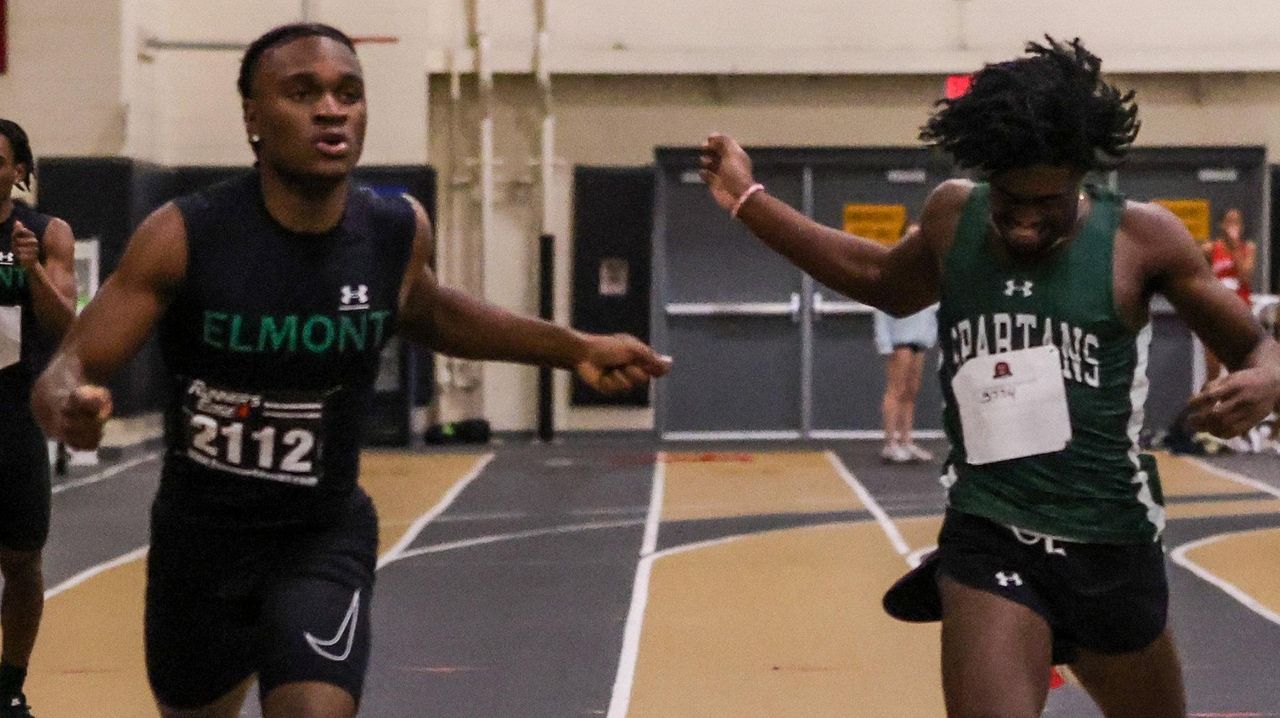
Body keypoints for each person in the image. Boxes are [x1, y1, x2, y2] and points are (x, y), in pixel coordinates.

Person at [31, 23, 669, 718]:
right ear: (252, 116)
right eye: (302, 93)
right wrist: (69, 407)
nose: (331, 109)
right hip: (201, 547)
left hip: (320, 535)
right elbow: (69, 366)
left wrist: (575, 348)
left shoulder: (394, 229)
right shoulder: (185, 234)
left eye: (348, 93)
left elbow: (434, 312)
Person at [700, 37, 1280, 718]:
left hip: (1110, 539)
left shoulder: (1142, 239)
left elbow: (1256, 347)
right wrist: (748, 200)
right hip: (992, 528)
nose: (1027, 224)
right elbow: (881, 280)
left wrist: (1267, 384)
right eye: (1010, 203)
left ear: (1083, 178)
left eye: (1048, 205)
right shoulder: (955, 214)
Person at [0, 119, 77, 718]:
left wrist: (28, 271)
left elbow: (66, 327)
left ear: (19, 170)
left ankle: (10, 686)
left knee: (21, 560)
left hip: (12, 417)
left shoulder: (47, 234)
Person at [873, 224, 938, 464]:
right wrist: (885, 342)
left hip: (919, 339)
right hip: (899, 338)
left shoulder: (929, 274)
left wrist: (929, 335)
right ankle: (890, 443)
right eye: (910, 237)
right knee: (896, 390)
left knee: (911, 391)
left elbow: (932, 309)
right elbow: (881, 307)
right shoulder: (893, 272)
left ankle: (906, 441)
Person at [1201, 207, 1256, 386]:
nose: (1233, 226)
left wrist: (1235, 248)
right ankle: (1209, 407)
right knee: (1212, 366)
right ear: (1222, 225)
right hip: (1217, 310)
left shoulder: (1248, 248)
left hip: (1240, 311)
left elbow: (1245, 276)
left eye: (1237, 222)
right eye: (1230, 222)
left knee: (1239, 366)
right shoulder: (1211, 248)